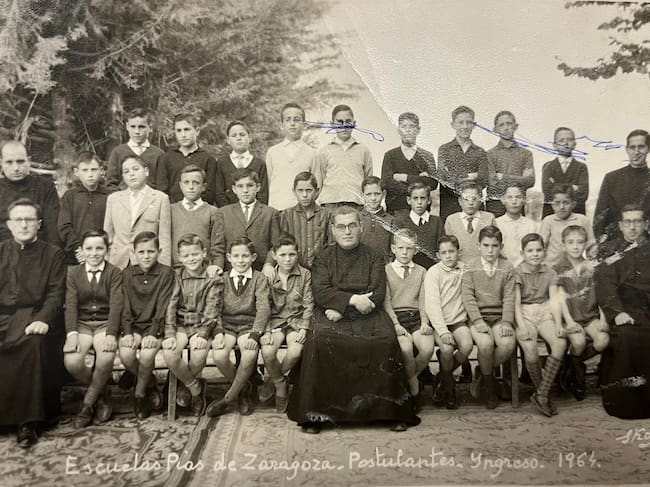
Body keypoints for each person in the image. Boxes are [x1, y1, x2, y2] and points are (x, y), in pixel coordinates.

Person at [287, 206, 420, 434]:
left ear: (360, 227)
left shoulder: (374, 256)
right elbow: (321, 291)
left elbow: (377, 293)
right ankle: (316, 415)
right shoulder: (323, 257)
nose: (347, 231)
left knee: (386, 342)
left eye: (352, 226)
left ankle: (391, 412)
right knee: (319, 342)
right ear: (333, 230)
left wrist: (347, 307)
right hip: (331, 314)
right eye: (341, 227)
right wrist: (352, 300)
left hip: (367, 314)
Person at [0, 198, 65, 448]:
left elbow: (56, 294)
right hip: (3, 317)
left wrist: (42, 319)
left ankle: (29, 421)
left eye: (29, 220)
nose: (24, 225)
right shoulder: (1, 251)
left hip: (36, 316)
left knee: (33, 344)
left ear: (39, 224)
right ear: (9, 224)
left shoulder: (53, 254)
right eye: (19, 220)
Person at [63, 230, 123, 428]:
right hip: (82, 324)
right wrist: (72, 334)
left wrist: (112, 334)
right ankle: (101, 391)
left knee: (106, 357)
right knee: (72, 361)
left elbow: (116, 305)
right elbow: (71, 305)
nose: (94, 253)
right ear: (81, 250)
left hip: (105, 324)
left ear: (107, 250)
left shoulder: (114, 273)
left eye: (99, 248)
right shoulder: (73, 273)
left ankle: (88, 404)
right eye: (89, 248)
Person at [595, 204, 650, 419]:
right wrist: (617, 312)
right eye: (628, 222)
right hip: (622, 309)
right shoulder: (610, 249)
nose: (633, 227)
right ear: (620, 225)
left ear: (645, 224)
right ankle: (626, 403)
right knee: (627, 336)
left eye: (637, 221)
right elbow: (604, 285)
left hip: (647, 308)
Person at [206, 238, 271, 417]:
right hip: (227, 325)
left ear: (253, 257)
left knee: (249, 354)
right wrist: (218, 332)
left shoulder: (259, 278)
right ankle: (243, 388)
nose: (240, 260)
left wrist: (255, 334)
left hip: (248, 326)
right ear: (229, 257)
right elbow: (214, 308)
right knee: (219, 355)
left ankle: (228, 398)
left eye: (245, 256)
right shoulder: (222, 279)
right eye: (236, 256)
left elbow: (263, 308)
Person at [163, 234, 224, 417]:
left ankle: (183, 386)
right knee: (170, 354)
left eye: (195, 254)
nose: (191, 259)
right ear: (180, 257)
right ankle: (195, 387)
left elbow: (212, 309)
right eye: (186, 255)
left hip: (202, 325)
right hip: (181, 324)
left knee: (198, 355)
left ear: (204, 253)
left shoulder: (213, 278)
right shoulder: (176, 276)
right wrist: (170, 333)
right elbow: (171, 306)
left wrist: (204, 335)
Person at [119, 231, 175, 419]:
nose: (146, 256)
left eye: (151, 251)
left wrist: (153, 333)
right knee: (126, 355)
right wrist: (127, 332)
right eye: (141, 252)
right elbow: (125, 307)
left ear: (159, 252)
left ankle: (140, 395)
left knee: (147, 355)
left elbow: (163, 306)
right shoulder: (127, 274)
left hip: (155, 326)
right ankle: (149, 382)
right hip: (134, 326)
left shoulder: (166, 273)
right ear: (133, 252)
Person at [462, 225, 516, 409]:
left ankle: (483, 372)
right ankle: (490, 387)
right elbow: (468, 297)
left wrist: (507, 321)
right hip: (478, 317)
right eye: (486, 245)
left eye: (494, 246)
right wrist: (477, 321)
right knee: (485, 345)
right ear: (479, 246)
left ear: (501, 247)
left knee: (507, 344)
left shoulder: (507, 267)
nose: (490, 250)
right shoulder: (470, 266)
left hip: (500, 317)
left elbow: (509, 297)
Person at [513, 233, 566, 417]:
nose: (535, 254)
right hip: (524, 313)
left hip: (544, 311)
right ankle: (542, 393)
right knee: (530, 348)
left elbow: (554, 301)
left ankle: (541, 394)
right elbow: (515, 303)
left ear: (544, 251)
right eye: (530, 251)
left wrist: (558, 323)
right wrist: (521, 326)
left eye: (538, 250)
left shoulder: (550, 272)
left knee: (560, 344)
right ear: (523, 253)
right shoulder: (517, 272)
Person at [554, 225, 609, 401]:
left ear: (585, 244)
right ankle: (579, 382)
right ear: (563, 245)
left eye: (579, 242)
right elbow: (560, 299)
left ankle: (573, 363)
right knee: (578, 342)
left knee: (603, 340)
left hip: (590, 316)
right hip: (570, 317)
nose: (575, 246)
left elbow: (601, 295)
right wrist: (569, 322)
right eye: (570, 242)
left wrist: (603, 318)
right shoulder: (558, 268)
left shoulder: (592, 267)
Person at [259, 234, 312, 413]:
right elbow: (264, 306)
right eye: (282, 255)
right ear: (274, 255)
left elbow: (309, 304)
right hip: (275, 321)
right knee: (268, 352)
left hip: (297, 320)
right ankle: (281, 382)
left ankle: (272, 381)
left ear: (298, 254)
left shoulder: (305, 274)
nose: (287, 259)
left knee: (296, 351)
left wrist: (304, 327)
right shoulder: (268, 276)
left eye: (292, 254)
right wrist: (266, 330)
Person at [383, 229, 433, 408]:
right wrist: (396, 324)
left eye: (409, 248)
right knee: (406, 348)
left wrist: (425, 322)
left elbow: (423, 300)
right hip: (396, 318)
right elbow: (386, 301)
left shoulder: (421, 272)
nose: (405, 252)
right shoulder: (386, 270)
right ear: (393, 249)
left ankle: (408, 379)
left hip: (417, 318)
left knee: (427, 348)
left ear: (416, 250)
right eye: (401, 248)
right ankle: (414, 389)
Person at [425, 235, 473, 409]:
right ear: (438, 255)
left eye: (451, 251)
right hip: (439, 323)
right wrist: (443, 331)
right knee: (446, 349)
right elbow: (432, 306)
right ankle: (450, 388)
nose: (448, 256)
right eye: (444, 253)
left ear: (458, 252)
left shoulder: (465, 269)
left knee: (467, 346)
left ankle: (442, 376)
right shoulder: (433, 273)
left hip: (458, 320)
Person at [104, 155, 171, 269]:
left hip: (147, 263)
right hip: (118, 263)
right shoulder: (113, 199)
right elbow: (108, 235)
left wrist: (164, 269)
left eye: (135, 169)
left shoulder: (160, 198)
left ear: (146, 171)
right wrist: (106, 265)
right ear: (123, 176)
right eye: (126, 171)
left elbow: (164, 238)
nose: (131, 174)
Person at [213, 168, 280, 276]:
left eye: (250, 185)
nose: (245, 190)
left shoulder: (270, 213)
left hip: (261, 270)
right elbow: (218, 246)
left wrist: (269, 264)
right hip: (231, 270)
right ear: (234, 189)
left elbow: (275, 245)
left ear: (258, 187)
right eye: (240, 186)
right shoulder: (223, 213)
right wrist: (218, 265)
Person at [593, 129, 650, 246]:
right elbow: (600, 218)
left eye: (641, 147)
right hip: (616, 246)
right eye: (632, 147)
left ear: (648, 149)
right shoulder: (612, 178)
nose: (636, 152)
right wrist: (603, 245)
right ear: (626, 149)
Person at [0, 140, 60, 245]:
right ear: (1, 163)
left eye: (20, 161)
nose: (16, 168)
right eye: (9, 162)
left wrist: (52, 254)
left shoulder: (45, 187)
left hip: (39, 249)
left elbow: (52, 229)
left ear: (29, 160)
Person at [314, 104, 373, 207]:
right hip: (330, 204)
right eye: (340, 122)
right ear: (332, 124)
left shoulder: (363, 150)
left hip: (356, 204)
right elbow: (318, 182)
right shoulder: (324, 151)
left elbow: (368, 181)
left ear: (354, 124)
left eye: (348, 121)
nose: (344, 126)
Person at [437, 106, 488, 222]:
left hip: (473, 206)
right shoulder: (444, 149)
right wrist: (470, 176)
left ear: (474, 125)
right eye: (460, 122)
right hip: (450, 206)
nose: (465, 126)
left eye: (468, 122)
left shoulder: (480, 152)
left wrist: (456, 177)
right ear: (453, 125)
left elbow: (483, 180)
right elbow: (442, 176)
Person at [380, 112, 438, 214]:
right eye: (404, 126)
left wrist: (405, 178)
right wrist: (420, 181)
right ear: (398, 130)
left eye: (412, 126)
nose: (408, 130)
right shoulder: (390, 155)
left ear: (418, 130)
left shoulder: (427, 156)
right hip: (396, 209)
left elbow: (433, 183)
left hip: (422, 212)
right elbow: (387, 182)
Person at [58, 151, 109, 265]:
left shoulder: (109, 196)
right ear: (76, 172)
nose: (90, 174)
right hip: (77, 256)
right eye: (85, 170)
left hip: (104, 254)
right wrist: (79, 249)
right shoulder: (70, 196)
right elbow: (64, 226)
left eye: (94, 170)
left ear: (101, 171)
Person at [156, 113, 218, 205]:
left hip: (199, 209)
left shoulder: (208, 159)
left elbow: (210, 191)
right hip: (172, 208)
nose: (183, 135)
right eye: (179, 131)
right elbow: (161, 190)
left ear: (197, 131)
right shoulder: (166, 158)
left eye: (187, 129)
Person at [266, 103, 318, 211]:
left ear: (304, 125)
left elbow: (316, 186)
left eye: (297, 120)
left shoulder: (312, 153)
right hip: (277, 209)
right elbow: (268, 182)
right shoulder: (272, 152)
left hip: (302, 212)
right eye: (288, 120)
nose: (292, 123)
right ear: (281, 125)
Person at [485, 111, 535, 217]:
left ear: (515, 126)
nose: (506, 128)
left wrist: (503, 177)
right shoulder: (489, 154)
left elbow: (530, 181)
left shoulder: (526, 154)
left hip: (517, 203)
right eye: (501, 125)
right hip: (496, 205)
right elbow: (492, 183)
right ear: (495, 129)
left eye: (509, 124)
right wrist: (520, 179)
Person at [170, 165, 219, 268]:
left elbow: (217, 245)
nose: (191, 187)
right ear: (180, 185)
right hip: (176, 268)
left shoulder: (212, 211)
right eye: (186, 182)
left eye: (196, 183)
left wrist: (215, 266)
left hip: (203, 268)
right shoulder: (171, 210)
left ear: (204, 186)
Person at [279, 171, 330, 269]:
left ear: (317, 191)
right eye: (300, 190)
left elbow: (331, 244)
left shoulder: (326, 215)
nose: (305, 195)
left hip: (321, 268)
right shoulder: (286, 215)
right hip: (295, 268)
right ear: (294, 191)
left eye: (309, 190)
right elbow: (283, 244)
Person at [106, 108, 164, 191]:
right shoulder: (118, 152)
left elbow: (161, 186)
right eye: (133, 127)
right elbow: (111, 184)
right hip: (124, 197)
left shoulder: (158, 154)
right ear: (127, 127)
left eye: (141, 127)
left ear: (150, 128)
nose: (137, 131)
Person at [215, 121, 269, 207]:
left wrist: (254, 211)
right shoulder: (222, 163)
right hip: (228, 212)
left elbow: (263, 194)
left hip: (254, 212)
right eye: (234, 135)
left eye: (242, 134)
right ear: (228, 140)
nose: (238, 138)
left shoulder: (259, 164)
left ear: (250, 138)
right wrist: (228, 211)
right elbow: (219, 193)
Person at [540, 183, 594, 267]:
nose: (561, 207)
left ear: (573, 204)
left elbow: (591, 246)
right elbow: (541, 246)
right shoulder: (548, 221)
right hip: (552, 267)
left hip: (576, 268)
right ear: (552, 205)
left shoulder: (582, 220)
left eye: (566, 203)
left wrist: (591, 265)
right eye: (557, 203)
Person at [394, 182, 444, 269]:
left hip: (432, 269)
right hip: (409, 269)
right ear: (409, 200)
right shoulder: (401, 222)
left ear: (429, 200)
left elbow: (441, 249)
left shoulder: (436, 221)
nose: (419, 202)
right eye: (415, 198)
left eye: (423, 198)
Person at [541, 127, 588, 217]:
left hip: (576, 215)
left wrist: (556, 185)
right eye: (561, 140)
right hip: (552, 215)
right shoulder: (548, 166)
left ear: (574, 144)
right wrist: (573, 187)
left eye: (569, 139)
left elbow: (583, 194)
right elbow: (547, 192)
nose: (566, 143)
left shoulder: (581, 167)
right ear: (554, 145)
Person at [444, 181, 495, 264]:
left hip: (484, 267)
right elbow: (448, 248)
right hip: (459, 267)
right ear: (460, 201)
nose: (470, 203)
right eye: (466, 199)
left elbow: (494, 245)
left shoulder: (489, 218)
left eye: (474, 199)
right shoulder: (451, 220)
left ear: (480, 200)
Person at [495, 183, 539, 266]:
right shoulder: (496, 223)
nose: (514, 201)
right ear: (503, 200)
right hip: (503, 268)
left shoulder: (532, 225)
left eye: (518, 197)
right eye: (509, 197)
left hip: (526, 268)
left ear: (524, 200)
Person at [359, 176, 396, 262]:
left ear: (383, 194)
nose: (373, 198)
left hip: (383, 265)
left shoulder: (391, 221)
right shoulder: (357, 218)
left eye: (377, 194)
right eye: (368, 194)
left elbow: (394, 250)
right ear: (362, 195)